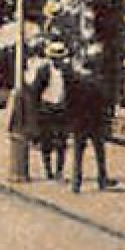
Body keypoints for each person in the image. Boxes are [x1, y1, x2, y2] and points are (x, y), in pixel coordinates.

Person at [64, 51, 113, 193]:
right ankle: (102, 179)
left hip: (80, 123)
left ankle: (76, 183)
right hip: (96, 123)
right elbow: (105, 105)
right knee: (100, 153)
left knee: (78, 154)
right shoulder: (99, 83)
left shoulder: (76, 82)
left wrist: (71, 120)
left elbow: (70, 102)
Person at [28, 39, 69, 181]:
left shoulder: (67, 72)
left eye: (60, 58)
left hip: (61, 110)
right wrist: (36, 112)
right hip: (46, 109)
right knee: (47, 142)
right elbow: (35, 92)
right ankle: (48, 170)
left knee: (62, 142)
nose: (58, 61)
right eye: (55, 58)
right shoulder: (44, 71)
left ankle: (59, 171)